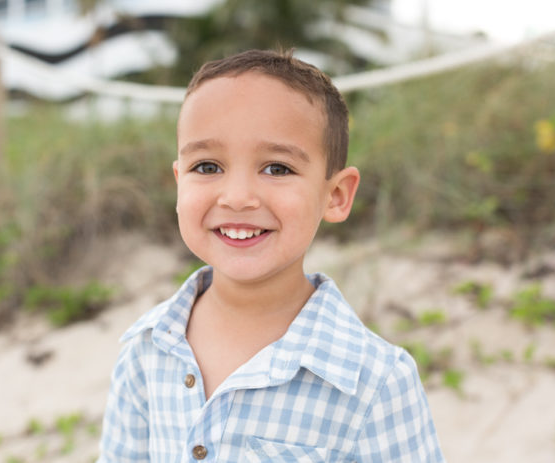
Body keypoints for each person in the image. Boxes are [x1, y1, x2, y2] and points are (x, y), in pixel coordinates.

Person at [97, 49, 445, 462]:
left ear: (334, 196)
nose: (238, 197)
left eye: (277, 169)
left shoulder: (374, 381)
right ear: (178, 182)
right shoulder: (147, 348)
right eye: (207, 167)